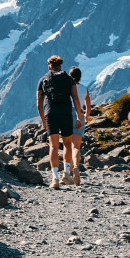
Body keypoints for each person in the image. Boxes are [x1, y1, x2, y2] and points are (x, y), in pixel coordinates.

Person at [37, 55, 83, 189]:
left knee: (53, 146)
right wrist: (79, 117)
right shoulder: (69, 79)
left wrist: (43, 120)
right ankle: (66, 173)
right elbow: (75, 98)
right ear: (60, 66)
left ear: (49, 66)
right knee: (68, 144)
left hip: (50, 114)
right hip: (66, 113)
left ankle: (55, 179)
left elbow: (39, 102)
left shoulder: (43, 79)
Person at [68, 66, 91, 185]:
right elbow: (88, 106)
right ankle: (76, 166)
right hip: (79, 115)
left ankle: (69, 172)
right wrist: (85, 117)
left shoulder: (67, 87)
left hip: (67, 115)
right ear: (80, 77)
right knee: (76, 146)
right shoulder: (84, 89)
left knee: (68, 145)